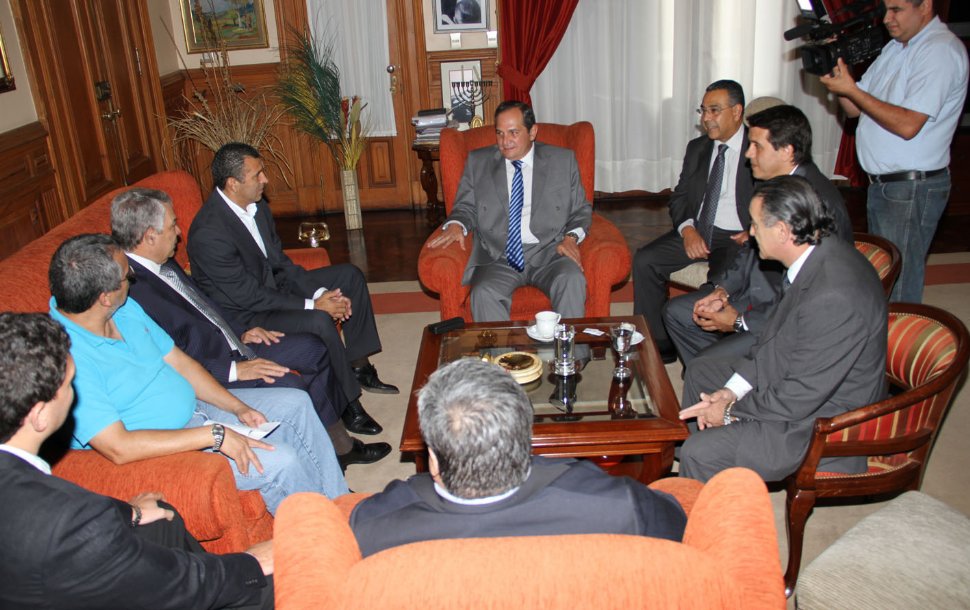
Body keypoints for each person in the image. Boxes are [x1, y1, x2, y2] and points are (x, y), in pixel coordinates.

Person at [48, 234, 349, 514]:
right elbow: (119, 447)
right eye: (127, 276)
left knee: (295, 403)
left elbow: (181, 364)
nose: (133, 278)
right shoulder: (68, 360)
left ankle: (343, 509)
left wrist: (237, 407)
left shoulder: (124, 310)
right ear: (104, 297)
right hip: (161, 448)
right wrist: (214, 435)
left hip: (196, 408)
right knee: (282, 461)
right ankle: (318, 536)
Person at [0, 312, 274, 609]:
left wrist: (127, 513)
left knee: (161, 519)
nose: (74, 393)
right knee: (271, 580)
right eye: (68, 386)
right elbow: (175, 585)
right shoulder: (69, 521)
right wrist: (251, 563)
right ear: (40, 415)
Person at [111, 188, 390, 472]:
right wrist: (234, 370)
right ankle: (317, 463)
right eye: (173, 225)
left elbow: (206, 307)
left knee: (312, 349)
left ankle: (340, 446)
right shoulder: (130, 292)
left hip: (235, 341)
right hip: (213, 370)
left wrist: (242, 330)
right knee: (290, 387)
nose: (180, 232)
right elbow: (169, 359)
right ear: (150, 236)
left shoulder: (163, 263)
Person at [349, 358, 687, 558]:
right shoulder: (619, 504)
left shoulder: (374, 526)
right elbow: (677, 522)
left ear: (433, 461)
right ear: (525, 440)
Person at [678, 176, 887, 483]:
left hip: (820, 421)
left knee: (701, 452)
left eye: (754, 224)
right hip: (799, 380)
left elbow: (798, 397)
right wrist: (730, 391)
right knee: (702, 372)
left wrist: (729, 410)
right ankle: (704, 470)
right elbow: (772, 340)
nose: (750, 233)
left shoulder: (834, 296)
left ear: (782, 231)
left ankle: (705, 465)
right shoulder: (815, 256)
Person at [187, 142, 399, 404]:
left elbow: (280, 262)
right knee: (319, 319)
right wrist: (314, 305)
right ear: (233, 184)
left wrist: (321, 293)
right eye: (257, 175)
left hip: (272, 287)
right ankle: (349, 404)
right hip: (248, 313)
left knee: (349, 277)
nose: (265, 180)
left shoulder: (257, 207)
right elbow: (249, 295)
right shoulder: (208, 233)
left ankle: (358, 366)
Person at [664, 104, 853, 366]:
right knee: (678, 313)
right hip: (754, 293)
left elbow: (805, 299)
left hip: (782, 317)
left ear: (786, 151)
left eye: (756, 146)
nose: (748, 153)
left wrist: (739, 321)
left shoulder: (814, 203)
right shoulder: (774, 183)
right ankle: (728, 374)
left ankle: (727, 371)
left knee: (703, 364)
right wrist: (722, 290)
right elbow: (750, 250)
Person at [819, 0, 968, 303]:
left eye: (896, 10)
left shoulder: (939, 50)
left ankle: (902, 334)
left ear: (925, 6)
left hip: (911, 187)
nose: (887, 19)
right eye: (885, 10)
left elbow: (908, 124)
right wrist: (835, 70)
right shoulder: (896, 48)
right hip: (888, 186)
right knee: (885, 278)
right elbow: (854, 109)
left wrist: (852, 90)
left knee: (898, 285)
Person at [426, 100, 592, 322]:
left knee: (571, 280)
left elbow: (581, 209)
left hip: (550, 251)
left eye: (513, 132)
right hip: (499, 255)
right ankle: (502, 347)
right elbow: (465, 207)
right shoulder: (478, 162)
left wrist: (571, 238)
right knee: (483, 293)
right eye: (500, 133)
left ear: (532, 132)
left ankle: (568, 346)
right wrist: (457, 224)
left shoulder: (562, 161)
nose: (505, 141)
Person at [633, 80, 755, 362]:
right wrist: (688, 230)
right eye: (703, 111)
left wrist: (755, 231)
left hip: (738, 237)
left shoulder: (758, 145)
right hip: (699, 229)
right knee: (645, 261)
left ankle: (707, 356)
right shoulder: (698, 147)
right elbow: (680, 196)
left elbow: (777, 198)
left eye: (714, 110)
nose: (706, 118)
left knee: (718, 285)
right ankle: (659, 345)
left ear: (737, 111)